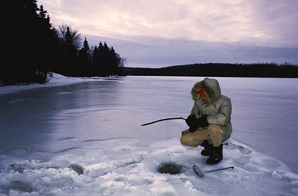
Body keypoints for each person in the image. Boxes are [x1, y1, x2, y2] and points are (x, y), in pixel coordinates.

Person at [180, 78, 232, 164]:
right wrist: (192, 120)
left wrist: (206, 120)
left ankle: (216, 152)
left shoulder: (225, 101)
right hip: (205, 129)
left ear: (210, 93)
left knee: (214, 128)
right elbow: (194, 114)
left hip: (222, 130)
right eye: (201, 94)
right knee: (185, 139)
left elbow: (224, 118)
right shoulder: (198, 102)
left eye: (204, 95)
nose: (202, 97)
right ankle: (209, 146)